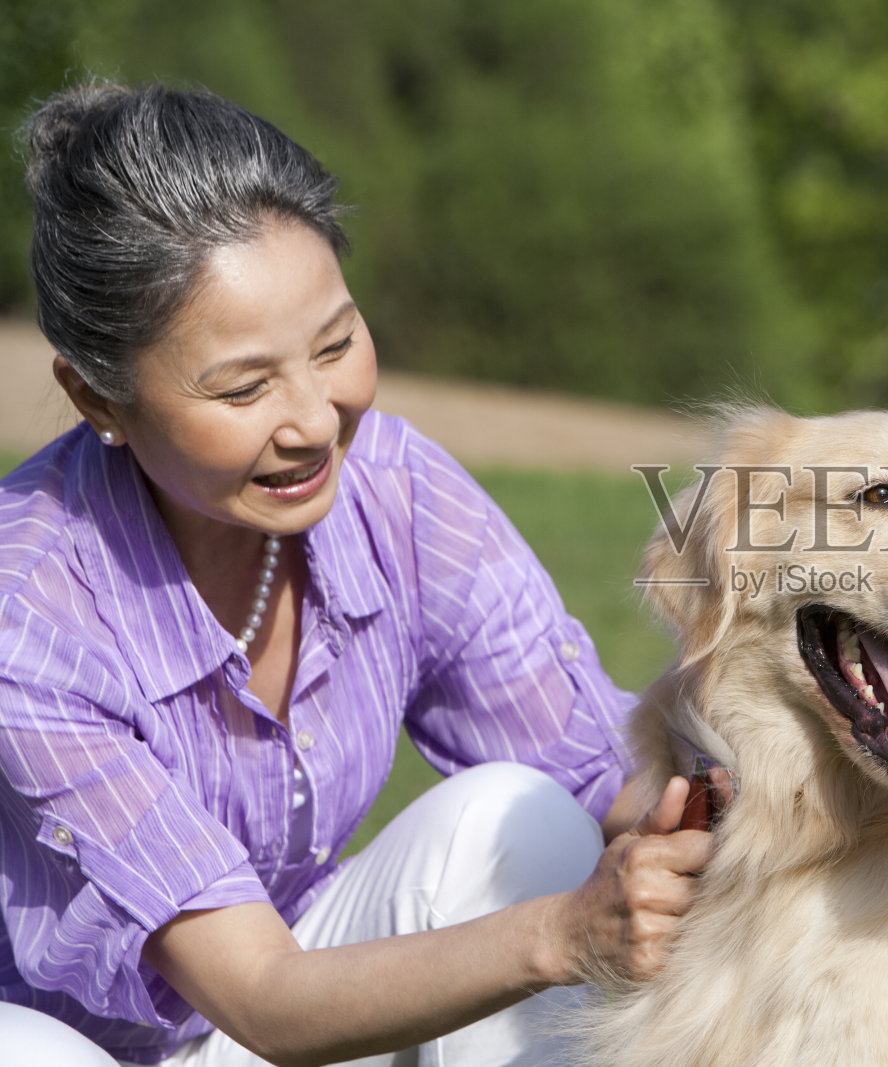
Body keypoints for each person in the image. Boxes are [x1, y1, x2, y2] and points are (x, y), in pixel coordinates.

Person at [0, 81, 712, 1066]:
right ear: (98, 398)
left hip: (304, 987)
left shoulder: (393, 486)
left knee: (524, 820)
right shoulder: (29, 610)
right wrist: (562, 932)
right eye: (244, 386)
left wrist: (786, 762)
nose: (314, 419)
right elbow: (261, 994)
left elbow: (599, 771)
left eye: (335, 345)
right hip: (128, 1035)